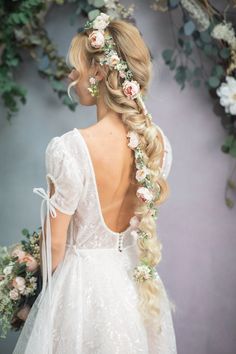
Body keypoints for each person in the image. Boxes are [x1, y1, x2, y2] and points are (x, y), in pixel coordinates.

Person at [13, 12, 177, 354]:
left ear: (99, 71)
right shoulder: (157, 143)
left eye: (77, 66)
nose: (71, 76)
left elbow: (54, 248)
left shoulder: (70, 148)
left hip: (81, 292)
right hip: (136, 287)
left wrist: (23, 285)